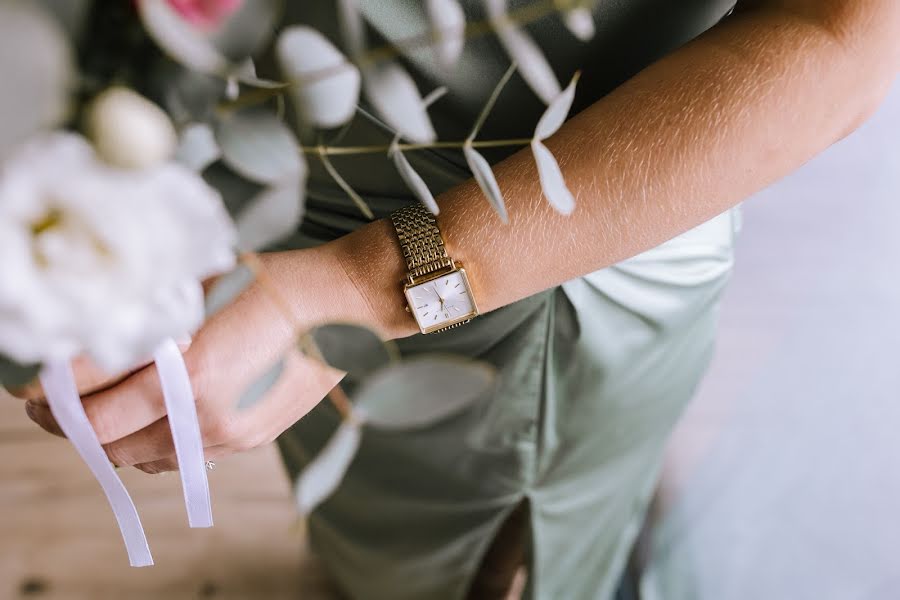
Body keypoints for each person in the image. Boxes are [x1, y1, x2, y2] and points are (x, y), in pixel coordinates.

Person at [20, 1, 900, 598]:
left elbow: (840, 34)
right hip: (254, 184)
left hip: (528, 250)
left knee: (478, 549)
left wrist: (359, 288)